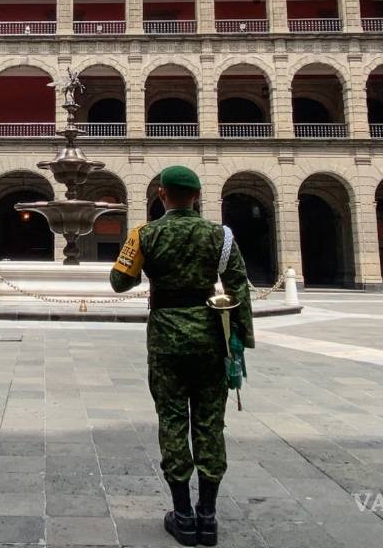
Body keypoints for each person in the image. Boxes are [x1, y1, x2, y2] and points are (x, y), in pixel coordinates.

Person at [110, 166, 254, 547]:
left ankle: (183, 516)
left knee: (172, 421)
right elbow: (239, 284)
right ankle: (208, 517)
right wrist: (239, 340)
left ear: (161, 194)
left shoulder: (145, 233)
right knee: (210, 423)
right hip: (211, 338)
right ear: (196, 196)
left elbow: (119, 282)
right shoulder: (220, 236)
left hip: (166, 337)